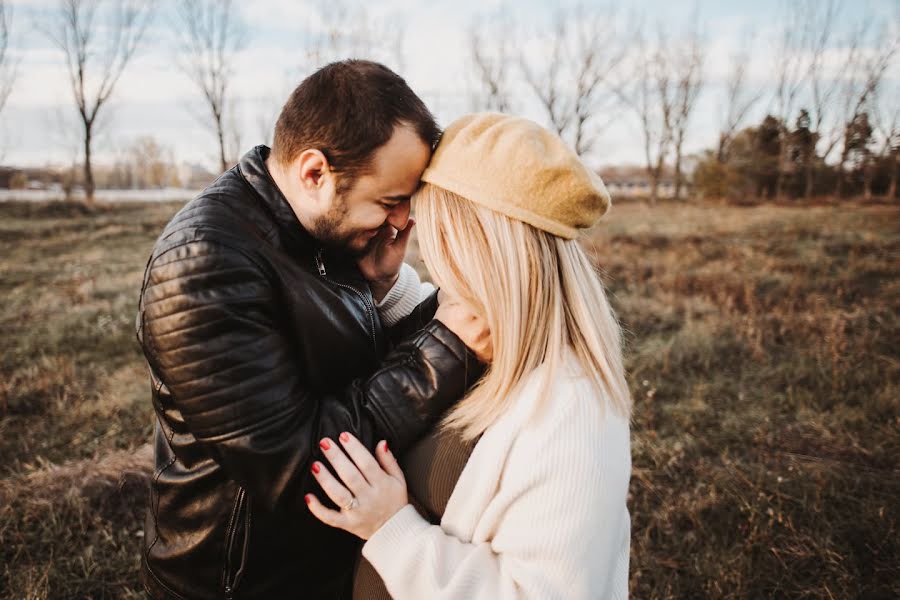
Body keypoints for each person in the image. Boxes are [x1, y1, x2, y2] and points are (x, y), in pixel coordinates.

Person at [134, 61, 488, 599]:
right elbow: (302, 464)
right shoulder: (203, 264)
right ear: (315, 172)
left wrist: (376, 297)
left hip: (313, 564)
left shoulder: (315, 232)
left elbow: (341, 370)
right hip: (240, 580)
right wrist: (448, 347)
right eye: (389, 201)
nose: (399, 223)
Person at [306, 113, 633, 599]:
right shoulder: (471, 325)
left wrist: (393, 530)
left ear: (479, 245)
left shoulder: (573, 410)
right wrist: (379, 289)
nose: (427, 251)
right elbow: (405, 357)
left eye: (439, 234)